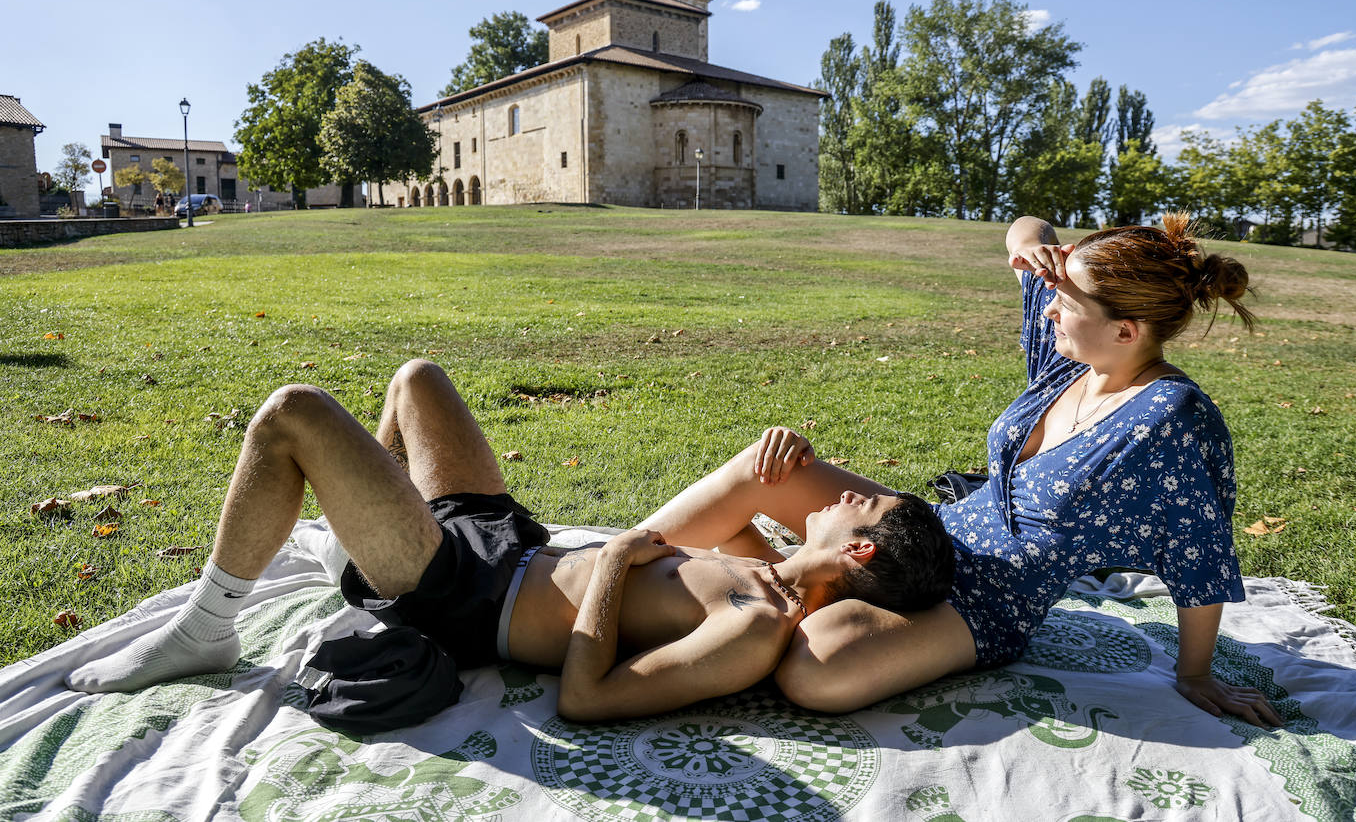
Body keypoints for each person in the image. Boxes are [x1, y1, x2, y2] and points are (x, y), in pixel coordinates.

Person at [637, 213, 1282, 728]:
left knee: (817, 673)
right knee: (763, 469)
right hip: (930, 532)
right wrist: (1035, 251)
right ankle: (613, 567)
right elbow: (1027, 226)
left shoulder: (1172, 418)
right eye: (1052, 292)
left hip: (991, 595)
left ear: (1127, 330)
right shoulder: (1074, 359)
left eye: (1065, 299)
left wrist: (1194, 673)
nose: (1049, 308)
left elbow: (1200, 544)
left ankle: (766, 579)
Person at [65, 360, 955, 726]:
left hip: (465, 594)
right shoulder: (762, 562)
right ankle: (352, 544)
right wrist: (776, 479)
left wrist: (608, 565)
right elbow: (743, 492)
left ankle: (207, 626)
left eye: (859, 509)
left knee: (294, 413)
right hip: (505, 538)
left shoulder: (757, 625)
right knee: (417, 381)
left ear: (863, 555)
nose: (844, 495)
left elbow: (587, 697)